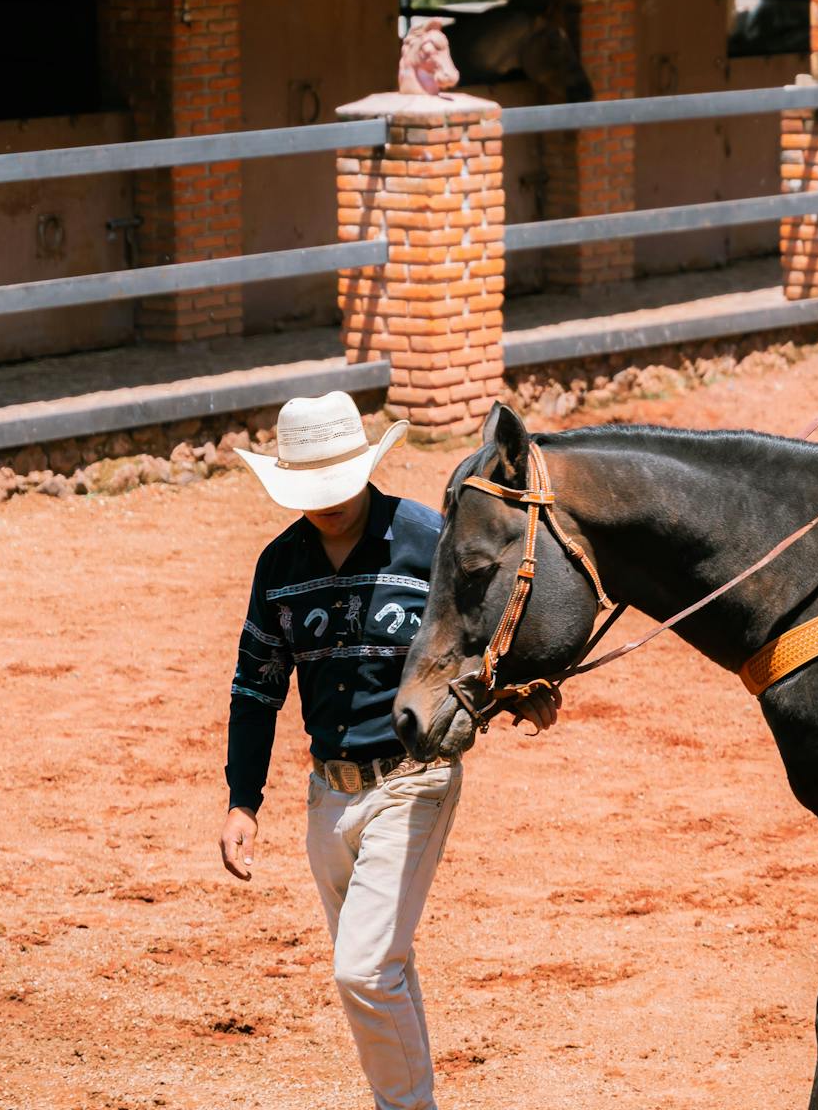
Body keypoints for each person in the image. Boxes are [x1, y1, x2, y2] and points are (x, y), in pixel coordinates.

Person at [217, 390, 554, 1109]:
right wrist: (243, 800)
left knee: (363, 972)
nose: (327, 503)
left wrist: (521, 684)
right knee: (381, 967)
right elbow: (256, 689)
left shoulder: (429, 538)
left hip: (414, 779)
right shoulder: (278, 567)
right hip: (326, 795)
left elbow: (486, 627)